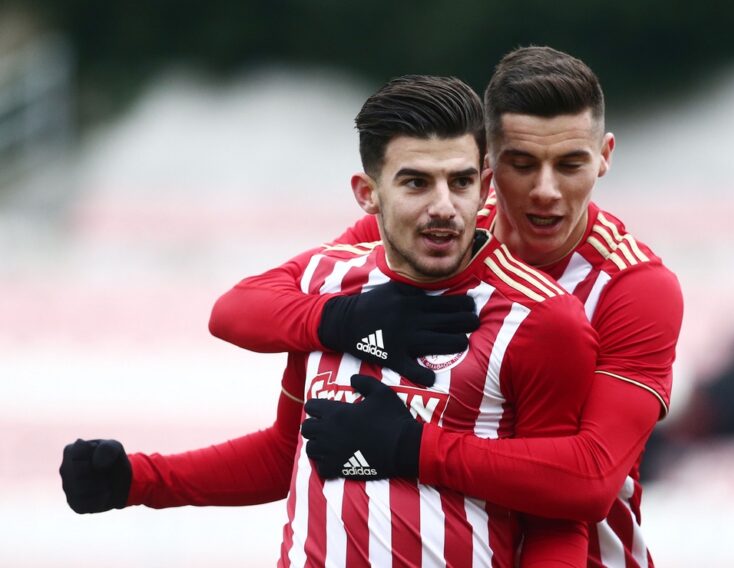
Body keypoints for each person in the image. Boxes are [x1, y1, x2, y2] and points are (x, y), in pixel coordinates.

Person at [61, 74, 599, 567]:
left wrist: (413, 447)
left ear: (484, 187)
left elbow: (557, 516)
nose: (443, 206)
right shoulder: (326, 282)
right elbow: (287, 450)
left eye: (459, 182)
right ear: (368, 194)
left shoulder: (543, 319)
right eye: (416, 183)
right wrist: (139, 479)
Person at [206, 46, 684, 567]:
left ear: (605, 156)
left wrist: (413, 446)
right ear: (488, 167)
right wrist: (342, 320)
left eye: (570, 165)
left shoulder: (633, 287)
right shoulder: (443, 225)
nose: (546, 191)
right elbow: (241, 310)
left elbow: (590, 480)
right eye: (522, 165)